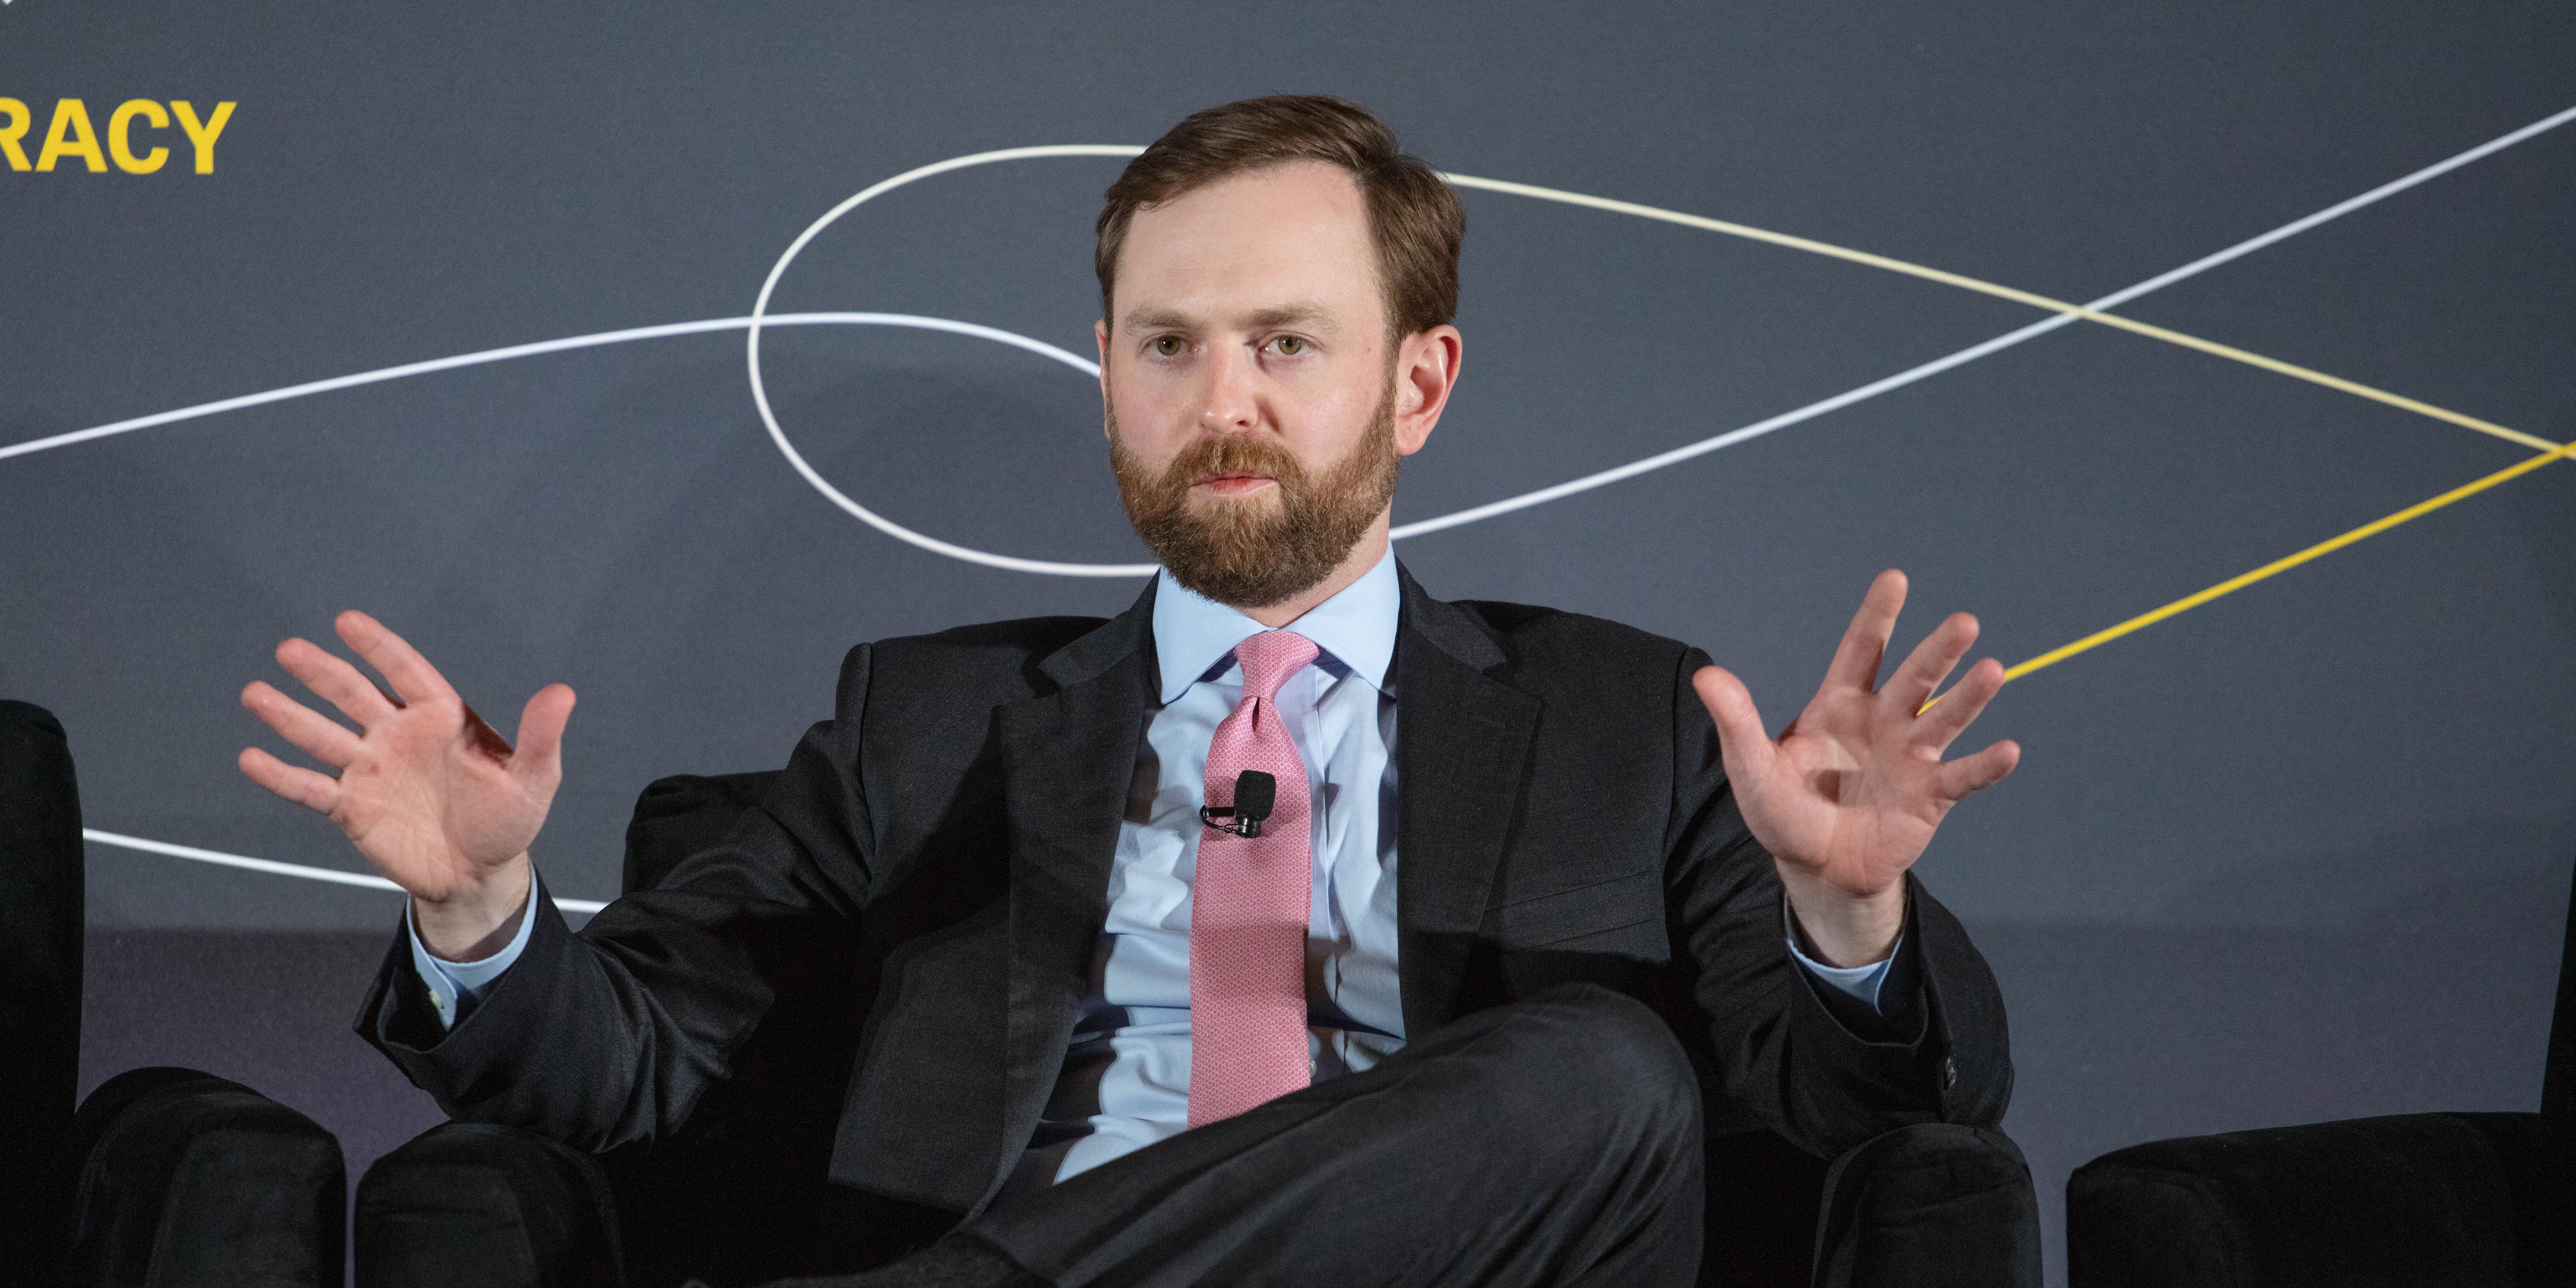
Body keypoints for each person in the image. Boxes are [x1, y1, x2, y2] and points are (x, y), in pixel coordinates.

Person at [238, 96, 2023, 1288]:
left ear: (1418, 384)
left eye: (1286, 344)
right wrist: (481, 910)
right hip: (1014, 1219)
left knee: (1603, 1074)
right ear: (1106, 372)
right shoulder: (923, 725)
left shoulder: (1635, 723)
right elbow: (638, 1067)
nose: (1222, 400)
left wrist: (1849, 919)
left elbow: (1869, 1121)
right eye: (1168, 345)